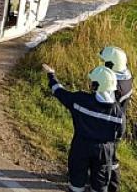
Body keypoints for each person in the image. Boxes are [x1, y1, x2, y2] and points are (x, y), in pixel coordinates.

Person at [42, 63, 124, 192]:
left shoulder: (80, 100)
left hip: (81, 146)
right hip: (104, 151)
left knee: (77, 182)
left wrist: (51, 75)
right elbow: (119, 134)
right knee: (100, 185)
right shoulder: (118, 112)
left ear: (96, 85)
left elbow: (59, 92)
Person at [99, 47, 133, 192]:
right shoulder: (125, 76)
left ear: (111, 65)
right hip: (116, 123)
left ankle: (111, 186)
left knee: (108, 159)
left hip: (109, 125)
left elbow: (103, 103)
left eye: (105, 62)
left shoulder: (116, 87)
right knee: (109, 156)